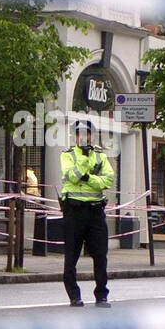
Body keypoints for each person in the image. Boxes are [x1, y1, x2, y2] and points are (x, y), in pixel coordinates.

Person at [60, 121, 114, 307]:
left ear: (92, 135)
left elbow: (107, 181)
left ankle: (101, 295)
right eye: (79, 134)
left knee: (100, 255)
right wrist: (84, 161)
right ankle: (74, 296)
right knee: (71, 255)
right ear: (75, 136)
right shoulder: (67, 155)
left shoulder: (100, 156)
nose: (83, 137)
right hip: (74, 211)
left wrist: (88, 178)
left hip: (95, 211)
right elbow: (72, 176)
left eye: (87, 133)